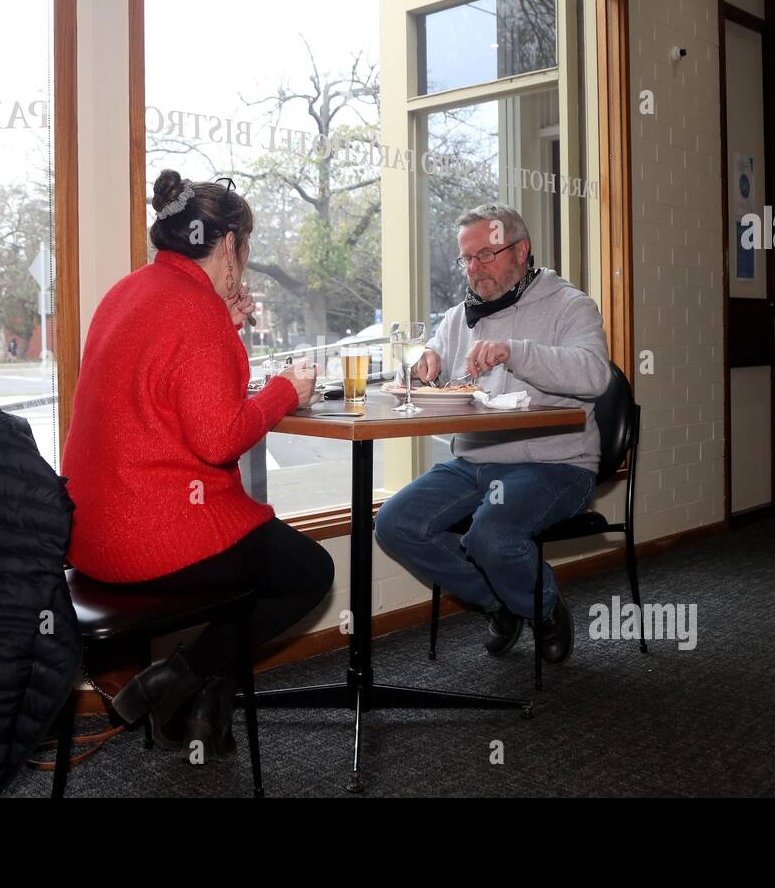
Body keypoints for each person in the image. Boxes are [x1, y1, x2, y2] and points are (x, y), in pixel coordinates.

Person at [61, 169, 334, 761]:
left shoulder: (126, 292)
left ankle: (199, 706)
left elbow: (181, 394)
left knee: (267, 557)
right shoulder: (194, 309)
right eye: (246, 247)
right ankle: (177, 680)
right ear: (230, 244)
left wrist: (227, 325)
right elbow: (220, 438)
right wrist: (288, 389)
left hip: (89, 537)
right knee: (307, 572)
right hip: (150, 537)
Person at [374, 203, 611, 665]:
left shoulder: (570, 305)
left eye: (486, 254)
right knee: (395, 524)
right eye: (466, 258)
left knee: (489, 536)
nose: (474, 268)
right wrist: (428, 367)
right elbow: (435, 370)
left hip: (554, 463)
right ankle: (502, 598)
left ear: (521, 250)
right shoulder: (460, 316)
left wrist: (515, 352)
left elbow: (595, 376)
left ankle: (541, 609)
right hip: (476, 461)